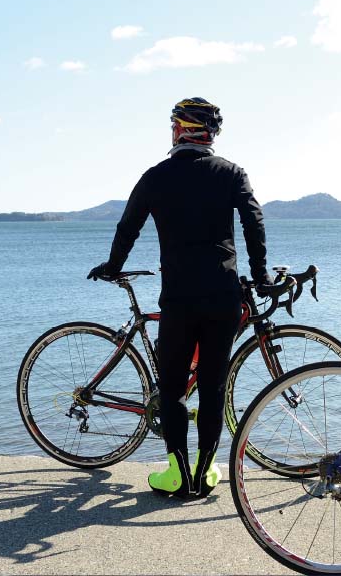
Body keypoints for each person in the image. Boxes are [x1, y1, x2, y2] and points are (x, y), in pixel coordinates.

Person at [88, 97, 270, 498]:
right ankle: (206, 473)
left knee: (171, 389)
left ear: (177, 131)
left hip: (179, 299)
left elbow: (128, 226)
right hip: (223, 296)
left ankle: (177, 475)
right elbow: (253, 220)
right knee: (212, 387)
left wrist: (114, 264)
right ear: (210, 135)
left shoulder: (155, 176)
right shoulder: (232, 172)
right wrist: (260, 273)